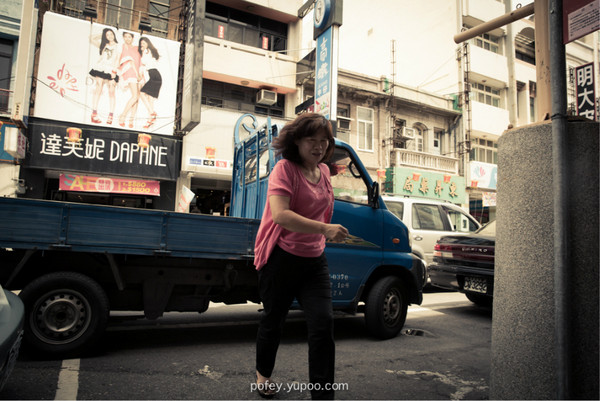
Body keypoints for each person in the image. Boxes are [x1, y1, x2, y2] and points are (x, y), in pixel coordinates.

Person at [253, 113, 348, 400]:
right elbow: (281, 215)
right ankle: (263, 376)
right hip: (281, 259)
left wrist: (323, 235)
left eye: (324, 141)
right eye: (312, 140)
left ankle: (322, 395)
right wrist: (324, 229)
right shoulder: (284, 169)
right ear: (297, 140)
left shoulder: (326, 172)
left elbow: (322, 209)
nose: (319, 146)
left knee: (323, 324)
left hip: (314, 261)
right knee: (274, 320)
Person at [88, 28, 119, 124]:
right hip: (101, 68)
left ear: (114, 34)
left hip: (111, 69)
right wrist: (101, 33)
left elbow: (118, 58)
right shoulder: (103, 45)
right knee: (98, 88)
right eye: (107, 35)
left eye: (111, 34)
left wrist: (114, 70)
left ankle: (111, 116)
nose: (110, 36)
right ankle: (94, 113)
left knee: (111, 91)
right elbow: (91, 38)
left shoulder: (118, 46)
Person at [117, 31, 141, 129]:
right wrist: (137, 74)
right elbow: (130, 62)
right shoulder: (123, 46)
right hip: (130, 72)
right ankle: (123, 115)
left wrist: (140, 74)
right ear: (123, 38)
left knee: (137, 97)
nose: (127, 39)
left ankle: (131, 120)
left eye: (129, 37)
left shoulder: (136, 48)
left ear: (132, 38)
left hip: (138, 73)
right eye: (125, 37)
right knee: (135, 96)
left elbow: (139, 61)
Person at [138, 37, 162, 129]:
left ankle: (152, 113)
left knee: (142, 93)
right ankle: (150, 120)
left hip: (154, 75)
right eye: (141, 44)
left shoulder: (146, 51)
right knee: (150, 99)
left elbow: (144, 63)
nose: (142, 45)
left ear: (148, 43)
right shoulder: (150, 52)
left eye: (144, 43)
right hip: (155, 75)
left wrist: (143, 50)